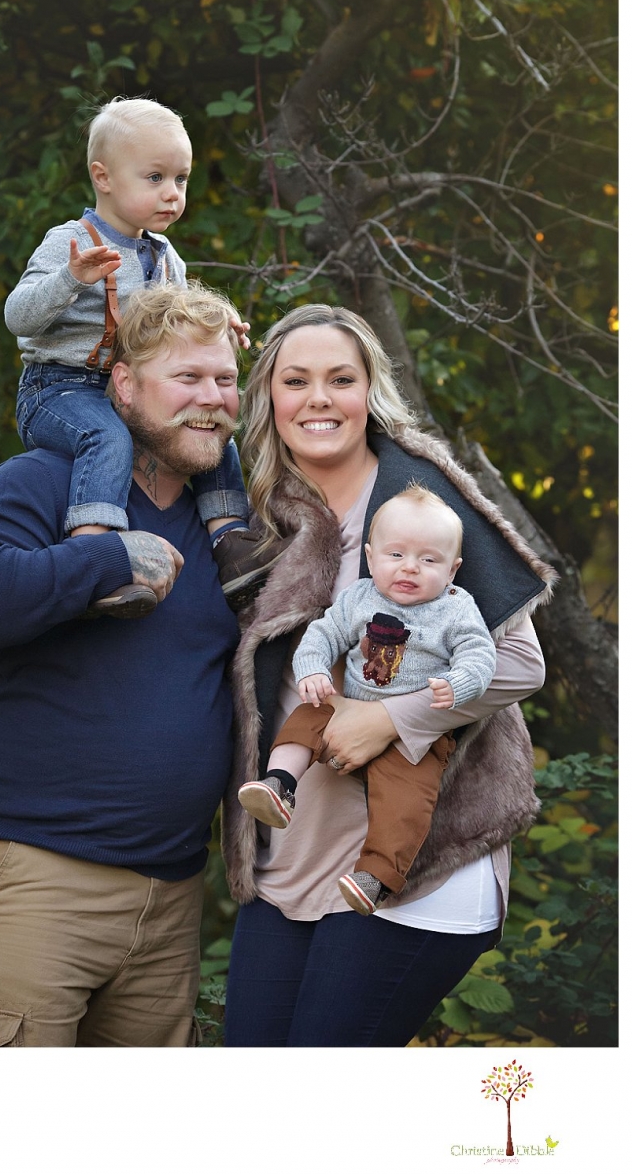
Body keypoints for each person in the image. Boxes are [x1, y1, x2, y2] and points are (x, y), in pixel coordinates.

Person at [220, 303, 557, 1047]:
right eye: (296, 379)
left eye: (341, 379)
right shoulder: (257, 517)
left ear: (369, 389)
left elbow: (521, 660)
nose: (318, 398)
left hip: (418, 859)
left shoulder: (420, 497)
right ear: (267, 395)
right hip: (294, 856)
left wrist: (391, 717)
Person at [0, 280, 244, 1047]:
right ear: (125, 387)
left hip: (171, 901)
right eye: (188, 378)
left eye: (226, 380)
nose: (212, 399)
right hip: (33, 884)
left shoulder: (229, 523)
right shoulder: (44, 480)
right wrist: (101, 559)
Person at [5, 95, 271, 617]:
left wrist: (221, 328)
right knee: (104, 438)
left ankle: (229, 541)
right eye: (155, 178)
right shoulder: (71, 243)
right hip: (58, 388)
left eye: (181, 180)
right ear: (103, 177)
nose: (172, 194)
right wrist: (69, 280)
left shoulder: (166, 256)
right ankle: (93, 552)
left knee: (209, 426)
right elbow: (18, 316)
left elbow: (179, 325)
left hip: (125, 390)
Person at [237, 484, 497, 916]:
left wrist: (461, 681)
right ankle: (280, 784)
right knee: (308, 715)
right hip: (347, 707)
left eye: (428, 560)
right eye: (396, 555)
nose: (409, 568)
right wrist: (314, 670)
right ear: (372, 557)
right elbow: (322, 634)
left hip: (414, 738)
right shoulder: (359, 597)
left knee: (408, 806)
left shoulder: (455, 608)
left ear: (452, 571)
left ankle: (374, 877)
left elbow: (479, 652)